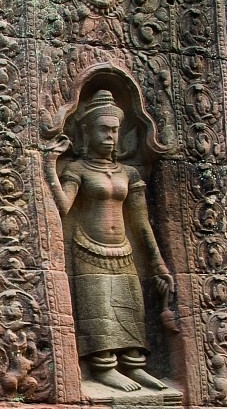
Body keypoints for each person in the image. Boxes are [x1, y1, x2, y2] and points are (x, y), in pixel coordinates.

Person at [44, 89, 173, 392]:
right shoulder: (78, 169)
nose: (110, 136)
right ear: (87, 132)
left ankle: (134, 365)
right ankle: (103, 367)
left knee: (130, 308)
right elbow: (63, 206)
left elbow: (141, 222)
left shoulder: (128, 172)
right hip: (88, 248)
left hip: (124, 251)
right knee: (98, 308)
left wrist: (157, 263)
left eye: (115, 130)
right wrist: (51, 165)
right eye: (103, 129)